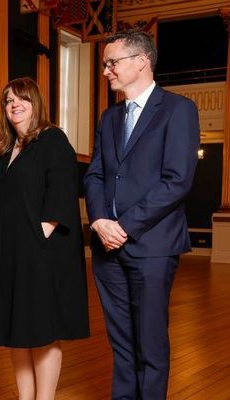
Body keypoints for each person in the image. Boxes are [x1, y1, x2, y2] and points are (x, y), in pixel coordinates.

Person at [84, 29, 199, 399]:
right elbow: (96, 174)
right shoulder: (109, 117)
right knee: (121, 345)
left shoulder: (179, 110)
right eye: (106, 64)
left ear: (141, 62)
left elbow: (177, 181)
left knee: (150, 344)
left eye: (111, 63)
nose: (106, 71)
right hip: (107, 248)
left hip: (152, 246)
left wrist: (124, 226)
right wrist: (100, 221)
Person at [0, 77, 90, 400]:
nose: (14, 105)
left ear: (36, 103)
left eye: (22, 99)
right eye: (8, 100)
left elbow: (60, 196)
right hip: (10, 254)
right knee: (17, 329)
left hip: (40, 254)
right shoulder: (6, 151)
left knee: (43, 332)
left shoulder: (52, 139)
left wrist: (35, 241)